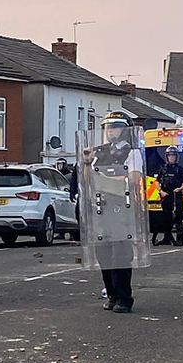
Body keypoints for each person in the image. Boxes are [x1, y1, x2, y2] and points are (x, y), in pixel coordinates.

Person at [77, 111, 145, 314]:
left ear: (124, 130)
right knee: (103, 255)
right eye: (108, 127)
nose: (110, 131)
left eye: (115, 127)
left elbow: (132, 180)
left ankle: (125, 297)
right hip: (101, 209)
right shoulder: (99, 152)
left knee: (120, 255)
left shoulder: (131, 152)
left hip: (121, 208)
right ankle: (112, 294)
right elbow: (88, 181)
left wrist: (104, 182)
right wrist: (87, 164)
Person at [151, 146, 183, 246]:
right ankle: (167, 238)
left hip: (176, 196)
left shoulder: (180, 169)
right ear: (167, 157)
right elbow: (157, 182)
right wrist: (161, 191)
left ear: (176, 157)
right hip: (166, 196)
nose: (171, 158)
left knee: (178, 217)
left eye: (173, 156)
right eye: (170, 156)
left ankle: (179, 239)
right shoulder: (163, 169)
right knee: (166, 218)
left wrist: (179, 189)